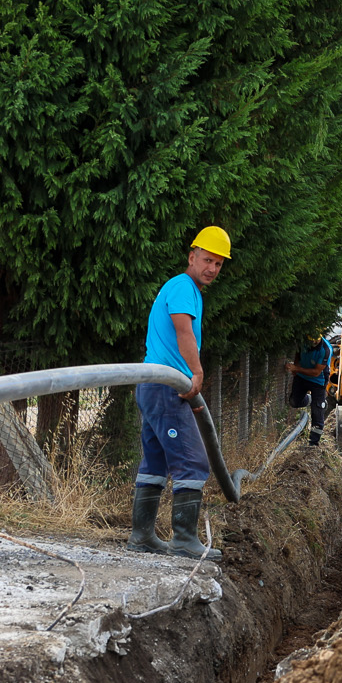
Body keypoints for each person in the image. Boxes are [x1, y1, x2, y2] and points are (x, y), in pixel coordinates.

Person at [129, 226, 229, 557]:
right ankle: (184, 539)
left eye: (218, 264)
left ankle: (142, 537)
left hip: (154, 386)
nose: (212, 268)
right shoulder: (184, 287)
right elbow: (183, 331)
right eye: (207, 260)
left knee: (155, 460)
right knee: (193, 460)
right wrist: (196, 372)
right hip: (166, 386)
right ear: (192, 257)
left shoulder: (181, 287)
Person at [285, 333, 332, 446]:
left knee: (317, 412)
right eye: (311, 341)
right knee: (294, 402)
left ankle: (313, 443)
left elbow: (316, 372)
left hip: (318, 382)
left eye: (316, 340)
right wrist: (296, 366)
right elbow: (298, 353)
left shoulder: (325, 350)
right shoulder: (303, 342)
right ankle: (309, 399)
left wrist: (297, 368)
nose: (314, 343)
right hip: (301, 377)